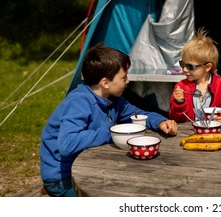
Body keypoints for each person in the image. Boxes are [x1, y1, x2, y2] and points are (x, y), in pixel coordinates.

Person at [40, 44, 178, 197]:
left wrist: (160, 122)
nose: (127, 81)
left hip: (91, 165)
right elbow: (67, 144)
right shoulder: (79, 102)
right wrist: (111, 133)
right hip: (63, 177)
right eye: (123, 77)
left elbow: (138, 114)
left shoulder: (113, 100)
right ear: (105, 83)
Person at [169, 28, 221, 127]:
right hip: (188, 132)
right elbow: (175, 118)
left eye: (190, 66)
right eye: (182, 64)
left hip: (216, 132)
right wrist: (179, 103)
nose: (185, 69)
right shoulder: (181, 86)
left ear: (207, 67)